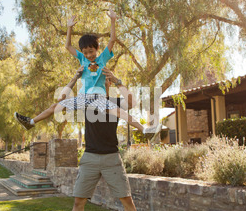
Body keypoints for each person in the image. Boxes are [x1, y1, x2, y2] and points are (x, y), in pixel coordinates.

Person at [14, 10, 161, 138]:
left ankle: (144, 130)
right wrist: (69, 28)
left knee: (120, 113)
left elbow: (112, 39)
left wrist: (113, 20)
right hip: (83, 98)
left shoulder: (102, 58)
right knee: (55, 106)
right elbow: (68, 46)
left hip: (99, 98)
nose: (89, 55)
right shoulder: (82, 59)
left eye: (91, 51)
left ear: (97, 49)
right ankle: (31, 122)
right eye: (85, 52)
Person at [59, 66, 150, 211]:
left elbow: (132, 102)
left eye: (105, 81)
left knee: (127, 199)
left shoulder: (115, 102)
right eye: (100, 82)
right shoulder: (88, 101)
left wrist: (117, 80)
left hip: (112, 157)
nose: (102, 84)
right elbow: (62, 101)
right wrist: (75, 77)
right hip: (90, 157)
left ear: (107, 83)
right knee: (78, 201)